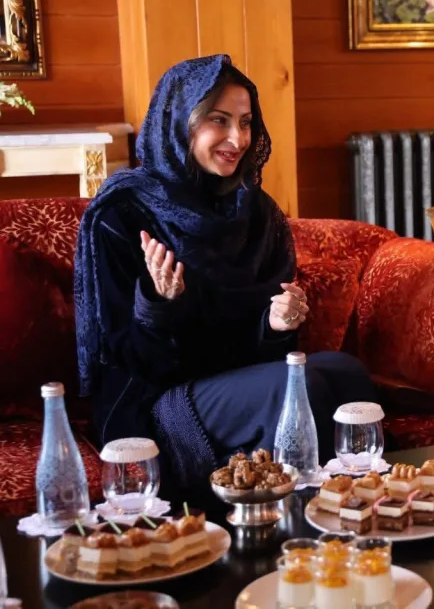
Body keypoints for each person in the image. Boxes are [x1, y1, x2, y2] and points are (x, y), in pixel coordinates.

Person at [74, 54, 378, 491]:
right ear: (179, 121)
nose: (238, 138)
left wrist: (275, 324)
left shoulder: (256, 213)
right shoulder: (121, 214)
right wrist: (159, 304)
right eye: (219, 120)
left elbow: (256, 351)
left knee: (346, 373)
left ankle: (356, 507)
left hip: (232, 380)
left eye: (246, 122)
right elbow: (124, 359)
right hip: (154, 396)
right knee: (296, 387)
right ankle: (303, 518)